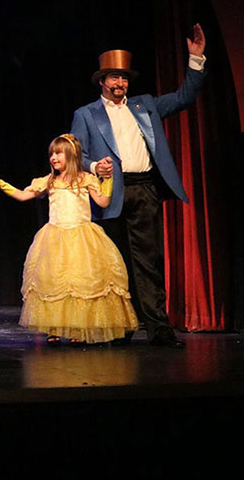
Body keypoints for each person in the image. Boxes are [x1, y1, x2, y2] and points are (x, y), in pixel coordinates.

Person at [70, 25, 206, 347]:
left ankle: (158, 328)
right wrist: (94, 166)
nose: (120, 83)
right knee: (114, 264)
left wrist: (196, 59)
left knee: (149, 261)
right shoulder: (86, 114)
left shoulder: (145, 105)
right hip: (109, 192)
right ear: (102, 81)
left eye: (124, 78)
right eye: (114, 78)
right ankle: (120, 328)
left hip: (144, 189)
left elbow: (185, 97)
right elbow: (76, 154)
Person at [0, 134, 138, 344]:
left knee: (81, 283)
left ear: (71, 155)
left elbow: (103, 202)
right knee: (53, 282)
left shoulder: (85, 179)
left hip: (82, 238)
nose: (53, 158)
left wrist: (108, 180)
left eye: (58, 153)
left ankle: (77, 329)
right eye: (51, 154)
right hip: (55, 238)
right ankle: (53, 327)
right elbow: (23, 195)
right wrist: (1, 184)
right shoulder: (49, 181)